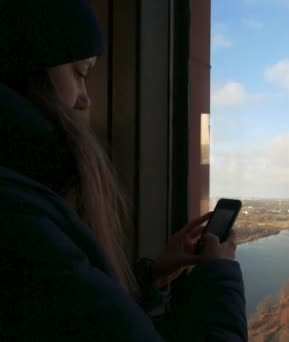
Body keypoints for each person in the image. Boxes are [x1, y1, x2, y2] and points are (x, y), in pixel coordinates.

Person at [0, 0, 247, 340]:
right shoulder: (21, 220)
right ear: (24, 64)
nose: (85, 99)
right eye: (80, 73)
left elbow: (79, 320)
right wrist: (220, 275)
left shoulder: (25, 205)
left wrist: (152, 275)